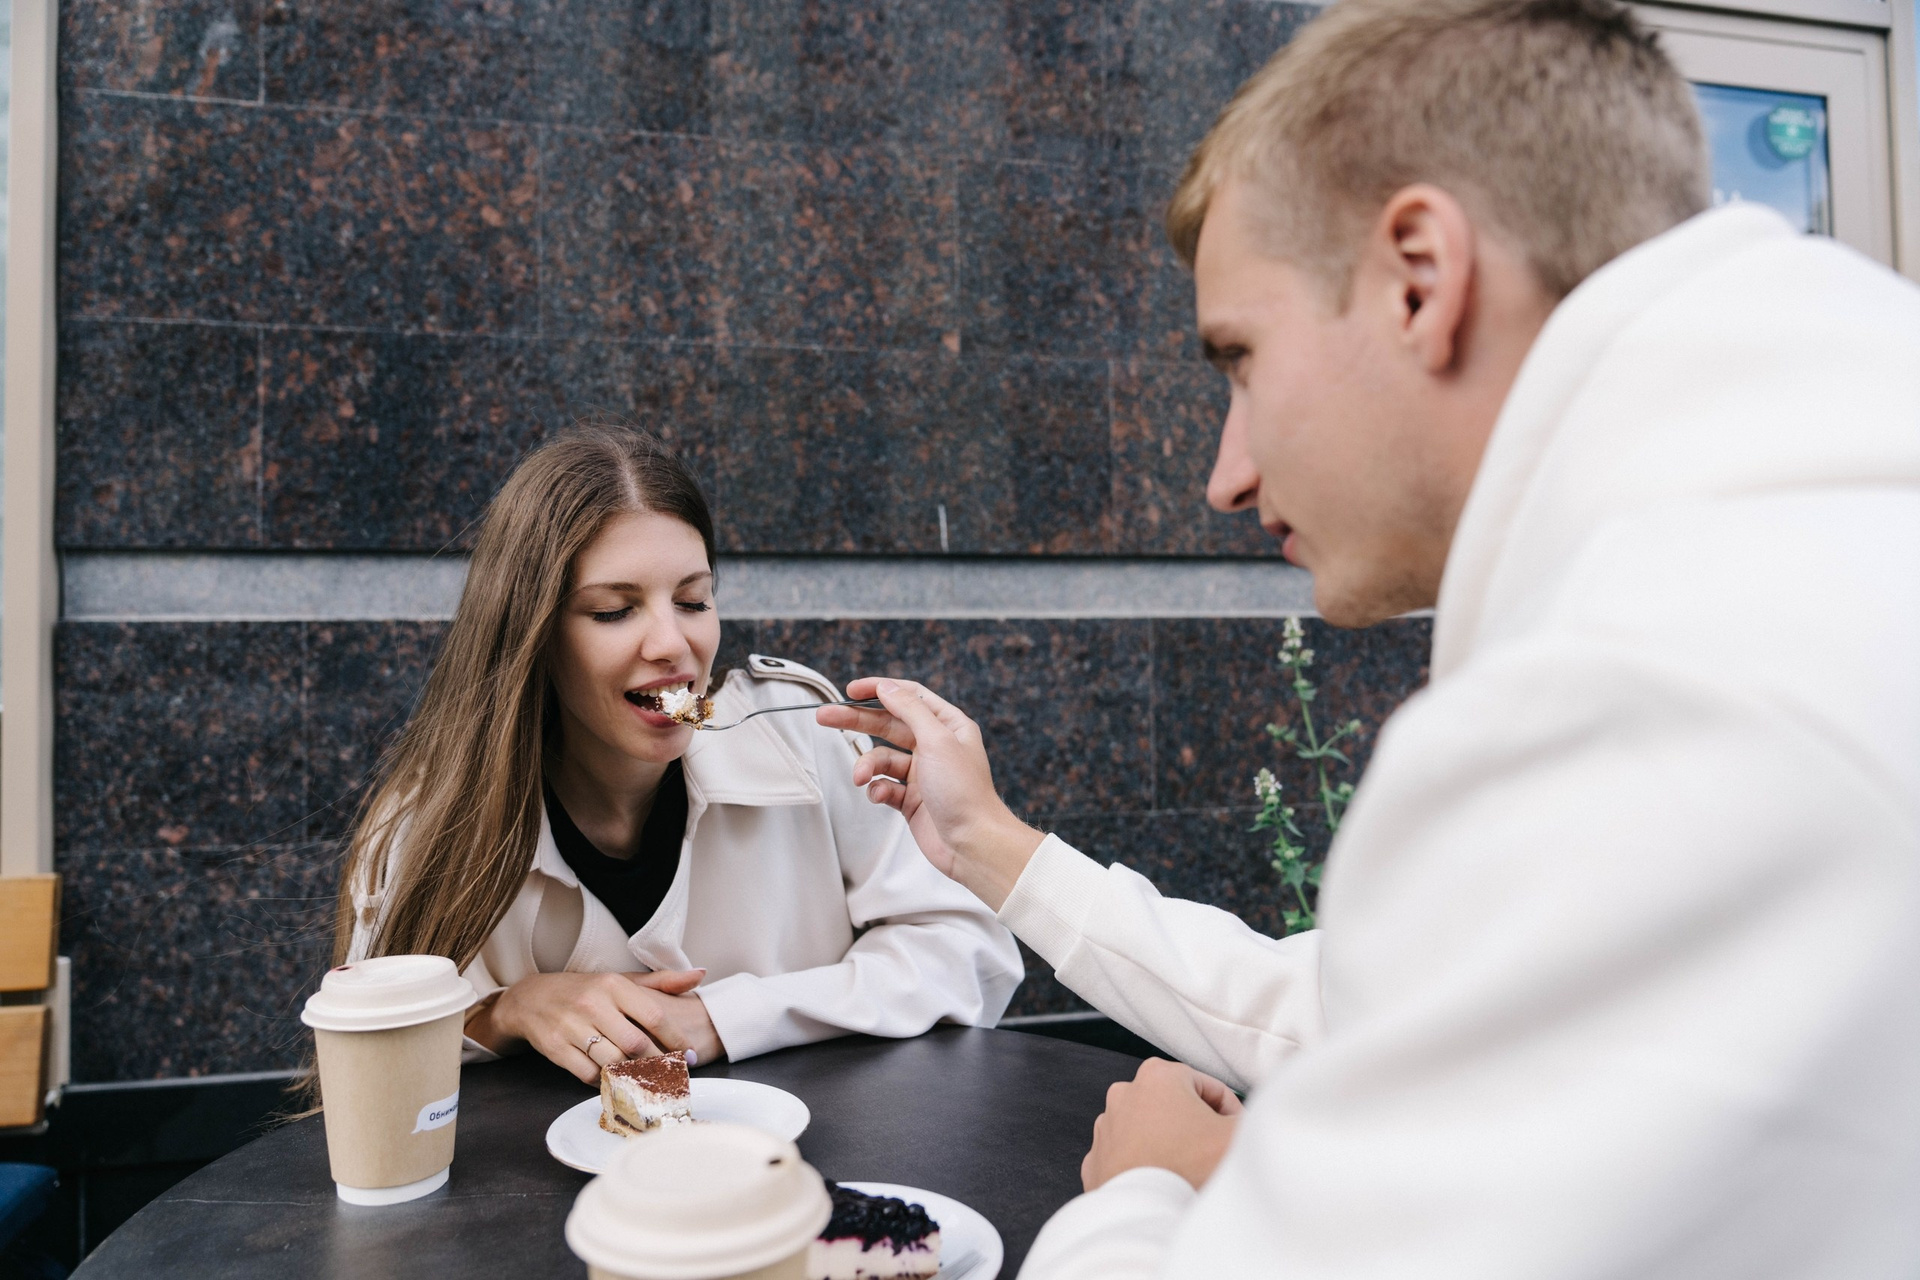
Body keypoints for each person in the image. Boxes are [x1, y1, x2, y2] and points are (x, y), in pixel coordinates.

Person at [819, 0, 1920, 1274]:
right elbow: (1402, 1006)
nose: (1226, 474)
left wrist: (1153, 1194)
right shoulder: (1802, 552)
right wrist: (989, 843)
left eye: (1240, 359)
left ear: (1419, 278)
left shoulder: (1640, 697)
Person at [335, 426, 1022, 1081]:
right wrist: (506, 1012)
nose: (673, 645)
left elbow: (972, 954)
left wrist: (727, 1018)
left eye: (693, 601)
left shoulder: (803, 738)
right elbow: (372, 1051)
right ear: (531, 635)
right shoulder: (425, 822)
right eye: (614, 610)